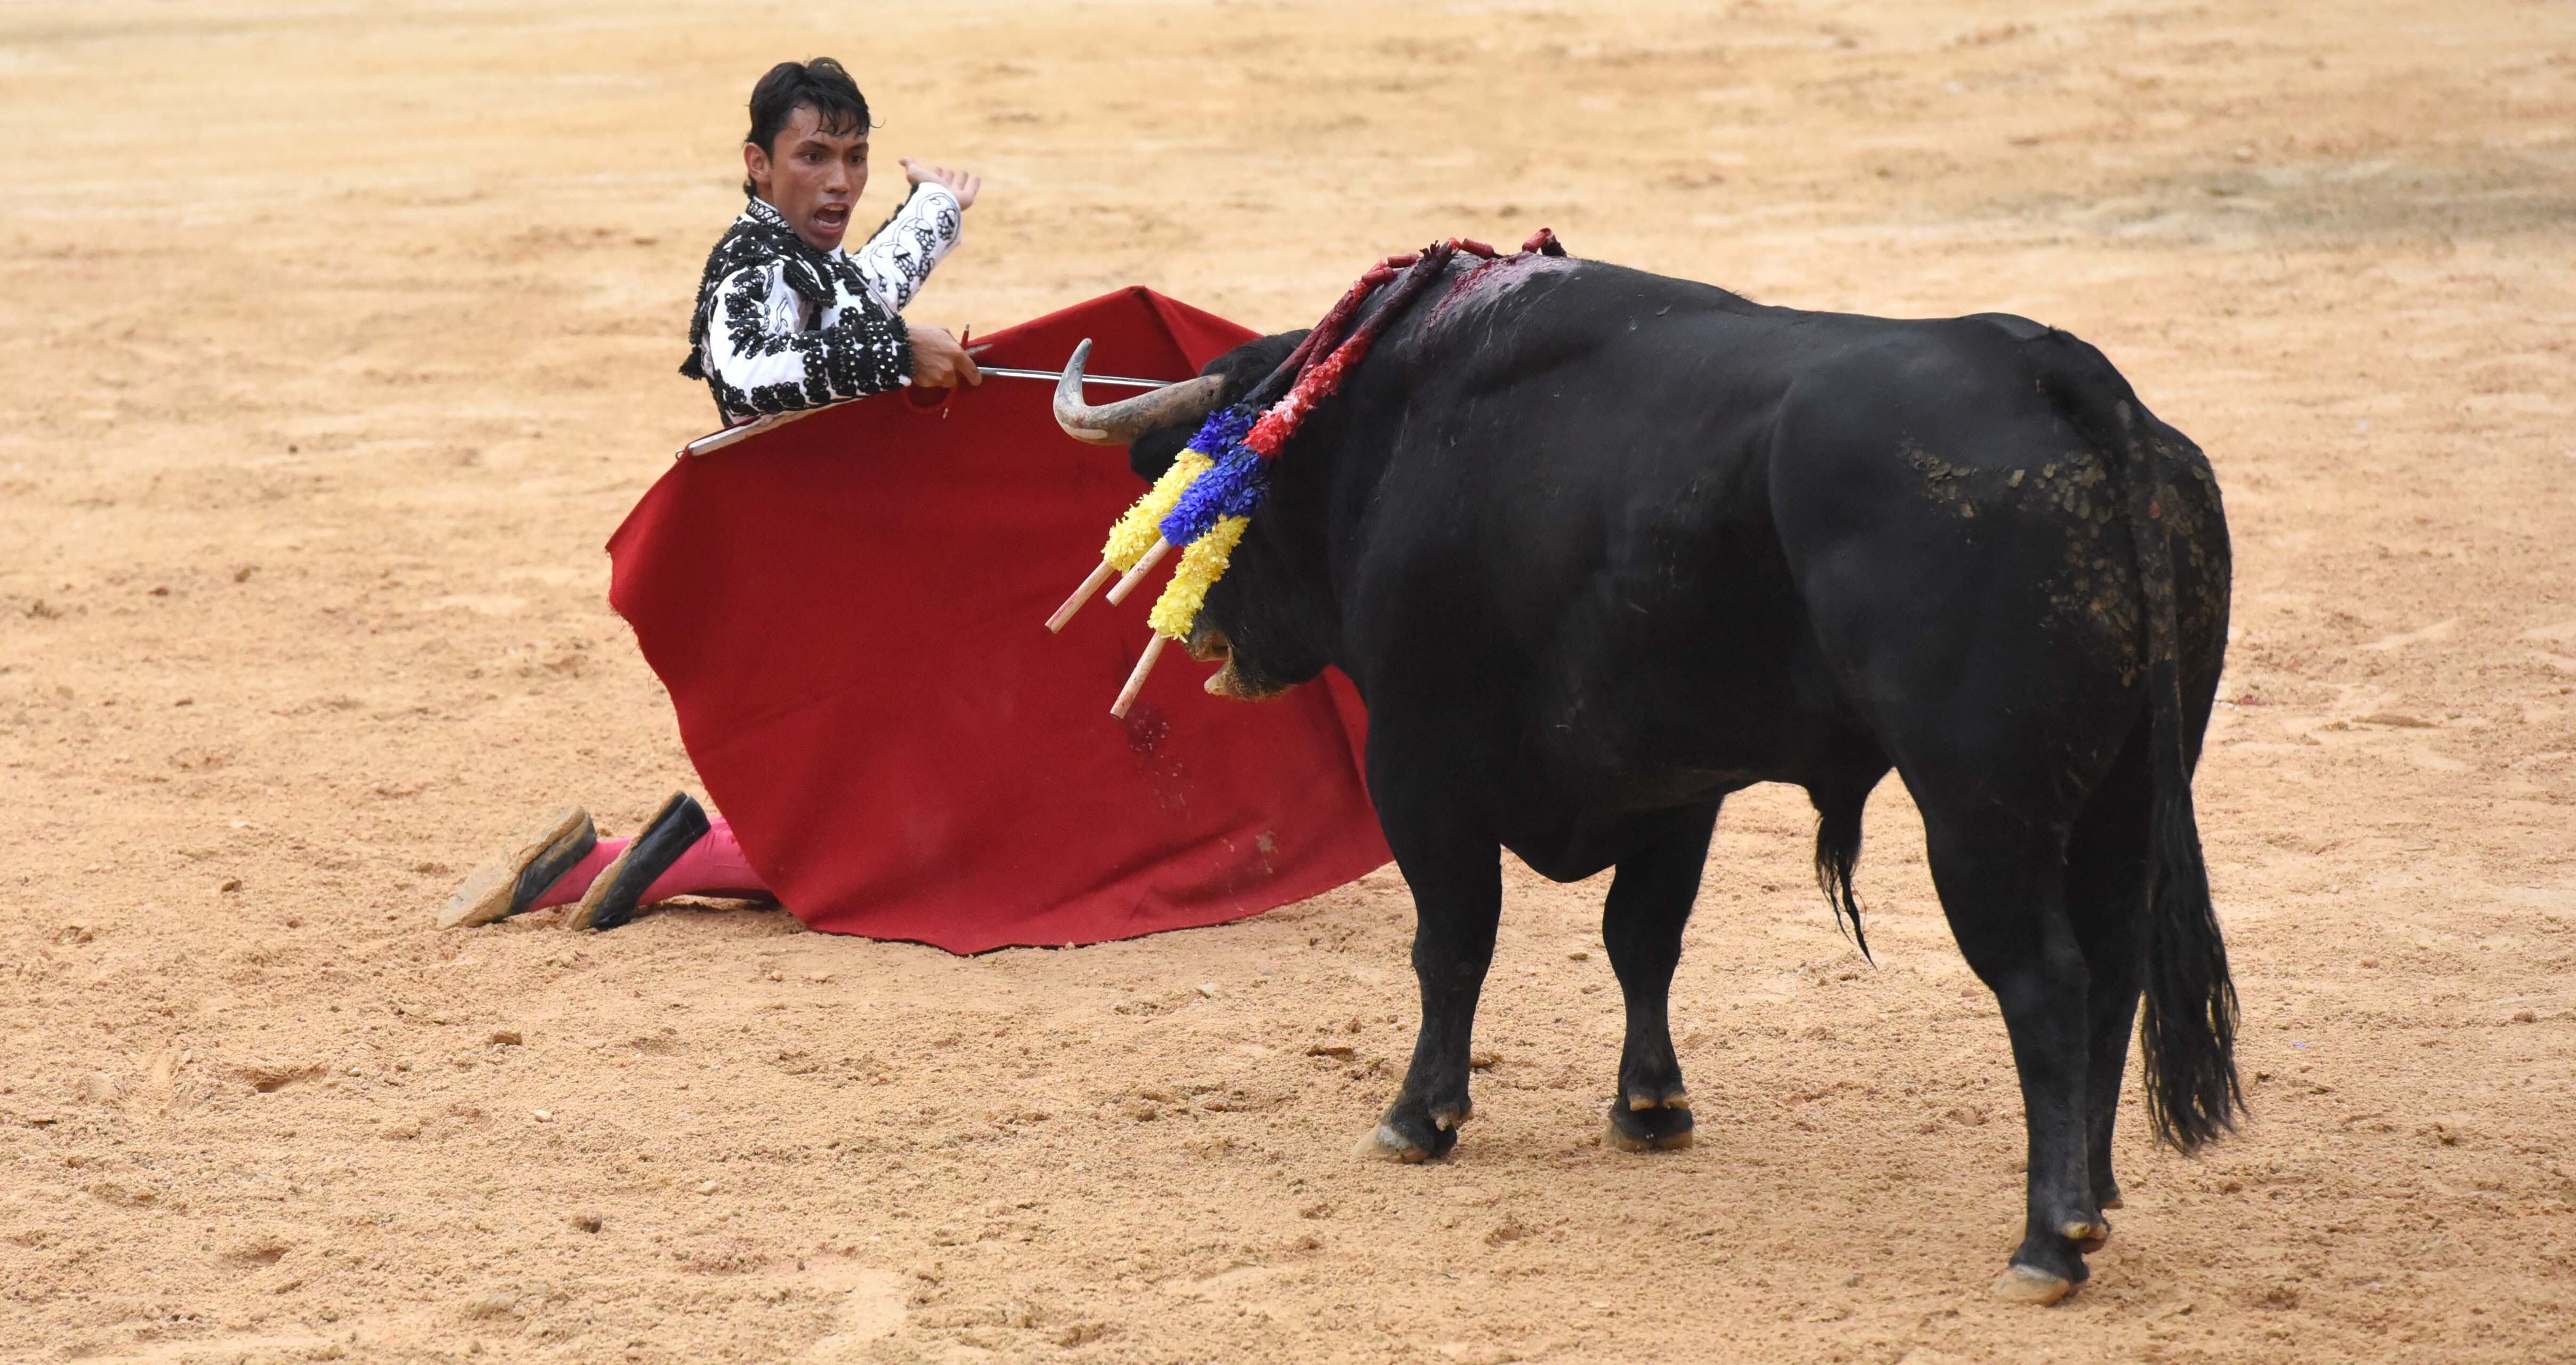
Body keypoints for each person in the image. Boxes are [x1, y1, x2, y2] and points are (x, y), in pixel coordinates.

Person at [443, 57, 981, 932]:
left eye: (854, 157)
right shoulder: (751, 263)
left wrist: (935, 208)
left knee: (875, 796)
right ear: (758, 164)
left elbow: (868, 287)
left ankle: (632, 861)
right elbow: (748, 372)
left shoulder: (800, 258)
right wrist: (892, 355)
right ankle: (631, 864)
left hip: (823, 554)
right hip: (803, 562)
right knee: (888, 816)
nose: (840, 181)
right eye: (812, 156)